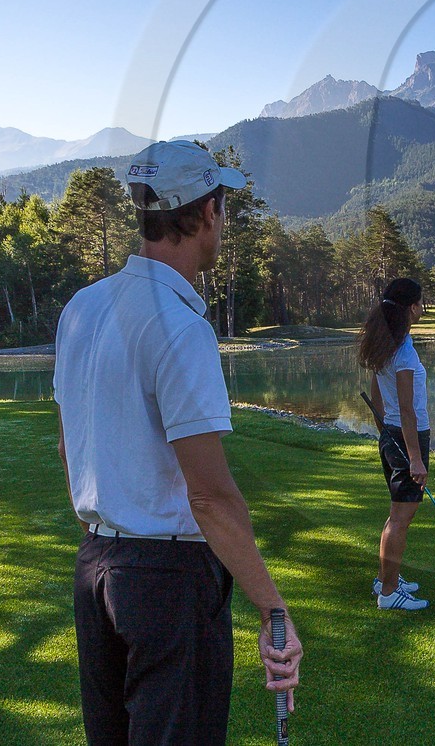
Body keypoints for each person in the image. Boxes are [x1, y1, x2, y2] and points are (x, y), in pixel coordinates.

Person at [54, 139, 301, 746]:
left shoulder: (82, 309)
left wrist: (109, 537)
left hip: (97, 569)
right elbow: (211, 499)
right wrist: (273, 607)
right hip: (165, 581)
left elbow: (69, 450)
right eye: (224, 208)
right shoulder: (181, 327)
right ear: (207, 212)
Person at [358, 276, 432, 610]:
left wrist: (383, 431)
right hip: (406, 438)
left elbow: (377, 395)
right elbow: (406, 409)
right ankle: (388, 594)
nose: (422, 307)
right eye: (420, 302)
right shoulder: (401, 350)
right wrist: (415, 459)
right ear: (411, 307)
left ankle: (387, 578)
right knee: (401, 518)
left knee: (396, 514)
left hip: (392, 435)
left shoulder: (386, 342)